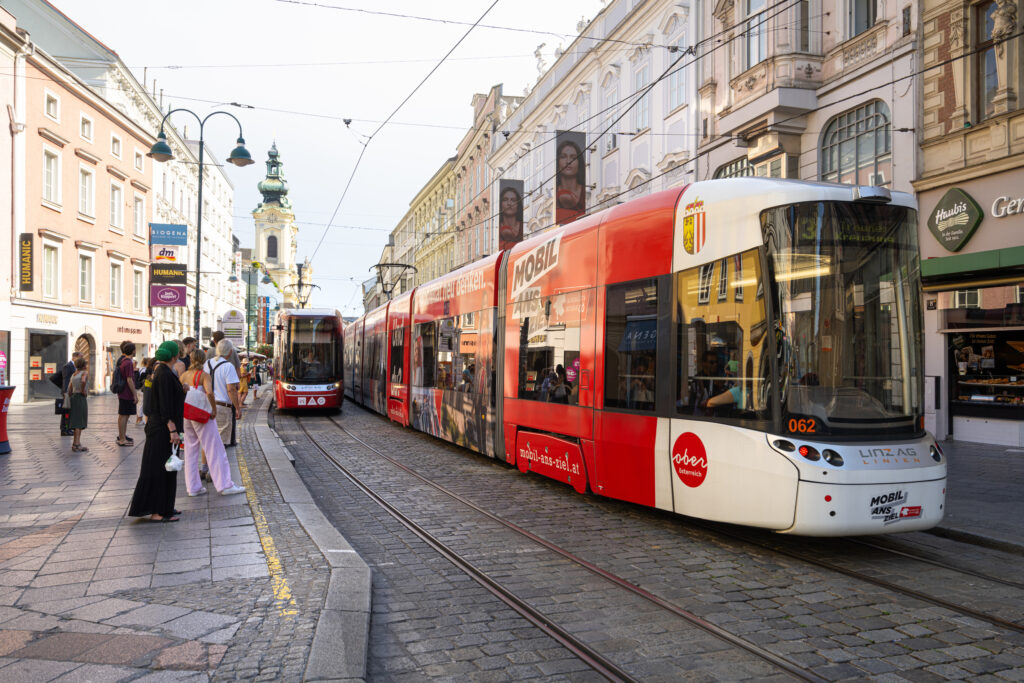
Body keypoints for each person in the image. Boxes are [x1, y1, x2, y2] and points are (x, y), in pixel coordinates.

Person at [128, 340, 183, 523]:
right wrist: (172, 430)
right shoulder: (165, 373)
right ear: (174, 355)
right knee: (161, 468)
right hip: (162, 429)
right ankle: (158, 512)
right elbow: (165, 405)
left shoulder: (159, 371)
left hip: (157, 426)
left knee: (167, 467)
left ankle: (165, 507)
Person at [179, 350, 246, 497]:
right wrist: (213, 410)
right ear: (203, 360)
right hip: (202, 415)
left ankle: (193, 487)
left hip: (188, 414)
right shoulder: (204, 375)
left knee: (190, 449)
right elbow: (209, 393)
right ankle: (225, 485)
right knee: (215, 448)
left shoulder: (184, 375)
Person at [205, 339, 242, 446]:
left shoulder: (207, 363)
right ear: (230, 352)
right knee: (221, 443)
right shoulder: (228, 366)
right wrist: (238, 408)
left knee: (209, 440)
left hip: (207, 404)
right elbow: (231, 390)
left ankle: (206, 462)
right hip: (222, 406)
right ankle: (217, 462)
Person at [555, 139, 586, 224]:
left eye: (573, 157)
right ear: (557, 162)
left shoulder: (585, 192)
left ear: (579, 162)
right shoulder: (553, 195)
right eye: (563, 157)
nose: (568, 161)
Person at [116, 341, 138, 447]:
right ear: (133, 350)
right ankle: (122, 439)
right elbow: (129, 379)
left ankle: (122, 437)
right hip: (126, 393)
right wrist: (135, 394)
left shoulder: (123, 361)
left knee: (123, 415)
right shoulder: (128, 362)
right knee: (124, 415)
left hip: (123, 393)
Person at [67, 356, 89, 452]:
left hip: (73, 398)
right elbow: (83, 380)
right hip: (80, 398)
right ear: (84, 365)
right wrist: (83, 390)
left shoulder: (74, 374)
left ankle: (76, 443)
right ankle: (76, 444)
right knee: (79, 422)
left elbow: (69, 389)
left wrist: (71, 395)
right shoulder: (84, 373)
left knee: (75, 420)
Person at [59, 351, 81, 436]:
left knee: (69, 412)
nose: (81, 359)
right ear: (74, 357)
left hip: (72, 392)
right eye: (80, 357)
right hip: (67, 392)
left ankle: (68, 428)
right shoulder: (67, 366)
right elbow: (66, 380)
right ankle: (64, 429)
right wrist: (66, 392)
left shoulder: (75, 367)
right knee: (66, 412)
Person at [498, 186, 523, 251]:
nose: (509, 203)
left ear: (518, 204)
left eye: (513, 200)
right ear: (501, 204)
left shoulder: (523, 227)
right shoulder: (497, 229)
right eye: (505, 200)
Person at [135, 356, 148, 425]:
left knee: (139, 404)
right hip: (142, 388)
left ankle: (138, 419)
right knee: (141, 404)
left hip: (138, 388)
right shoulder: (145, 370)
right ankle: (139, 420)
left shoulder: (140, 369)